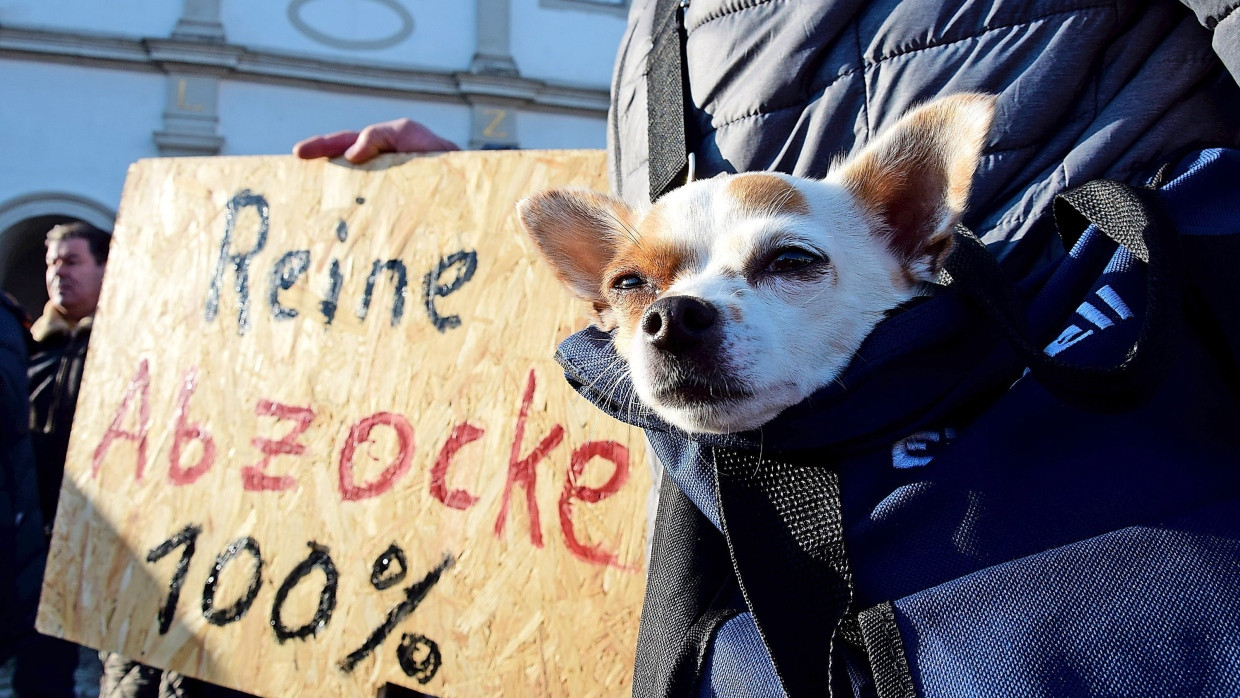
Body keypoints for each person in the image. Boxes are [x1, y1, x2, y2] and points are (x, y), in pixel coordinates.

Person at [294, 1, 1240, 694]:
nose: (676, 313)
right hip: (753, 513)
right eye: (636, 292)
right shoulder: (663, 19)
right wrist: (449, 198)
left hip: (1086, 406)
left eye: (784, 262)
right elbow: (671, 219)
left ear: (914, 226)